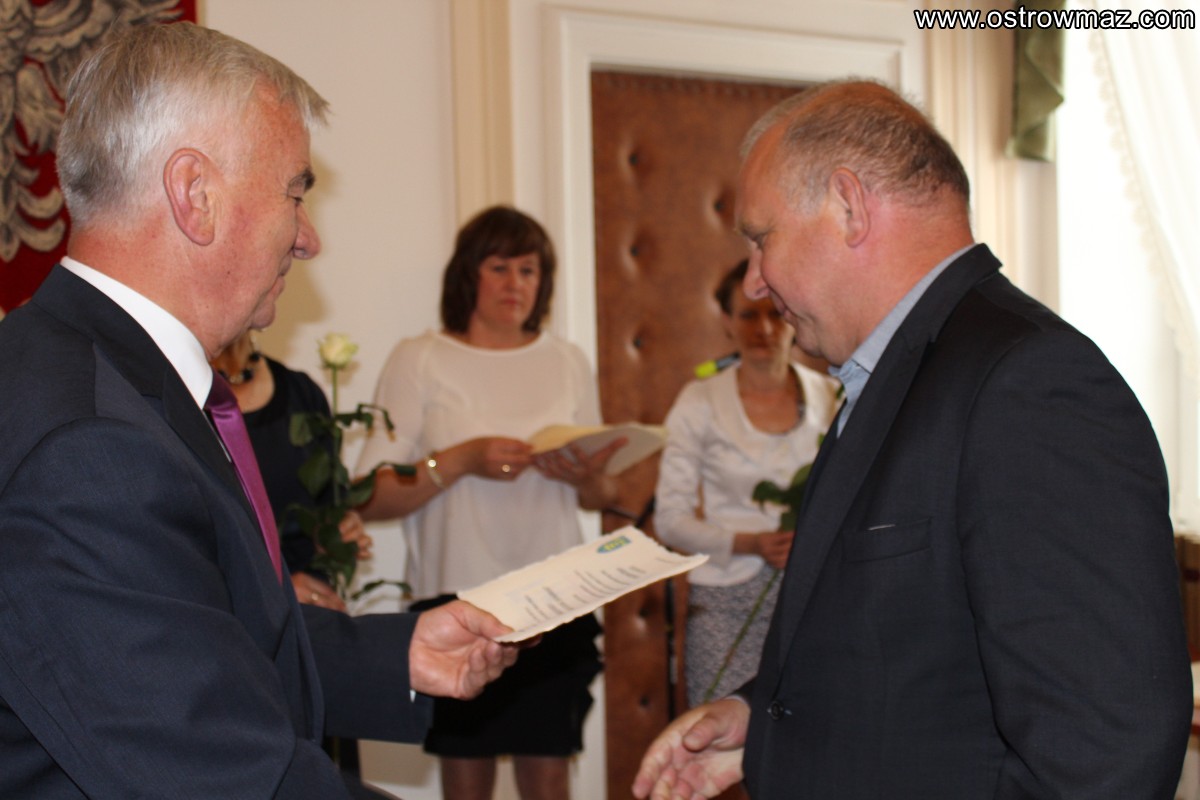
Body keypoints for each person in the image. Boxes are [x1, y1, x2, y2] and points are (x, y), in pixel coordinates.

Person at [0, 22, 517, 800]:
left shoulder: (96, 374)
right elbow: (216, 771)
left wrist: (398, 653)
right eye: (295, 193)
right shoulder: (90, 446)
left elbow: (189, 624)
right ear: (195, 195)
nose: (308, 239)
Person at [633, 79, 1192, 799]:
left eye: (762, 239)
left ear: (848, 206)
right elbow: (904, 647)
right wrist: (760, 719)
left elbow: (1106, 749)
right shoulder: (896, 373)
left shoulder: (1029, 386)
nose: (754, 284)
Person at [358, 205, 623, 800]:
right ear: (468, 274)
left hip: (557, 598)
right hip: (457, 601)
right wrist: (460, 461)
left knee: (548, 779)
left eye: (529, 270)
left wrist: (584, 475)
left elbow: (604, 494)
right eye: (499, 267)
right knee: (467, 781)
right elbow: (368, 494)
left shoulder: (566, 360)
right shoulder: (420, 357)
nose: (515, 284)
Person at [654, 259, 840, 709]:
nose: (764, 328)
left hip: (814, 599)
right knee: (723, 738)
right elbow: (670, 520)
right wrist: (749, 543)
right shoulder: (698, 401)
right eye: (748, 315)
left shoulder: (831, 397)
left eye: (775, 313)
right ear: (726, 321)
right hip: (723, 601)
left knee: (807, 736)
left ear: (793, 314)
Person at [211, 330, 370, 612]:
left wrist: (339, 533)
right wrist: (276, 591)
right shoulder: (173, 396)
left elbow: (326, 505)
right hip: (223, 617)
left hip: (312, 613)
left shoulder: (302, 394)